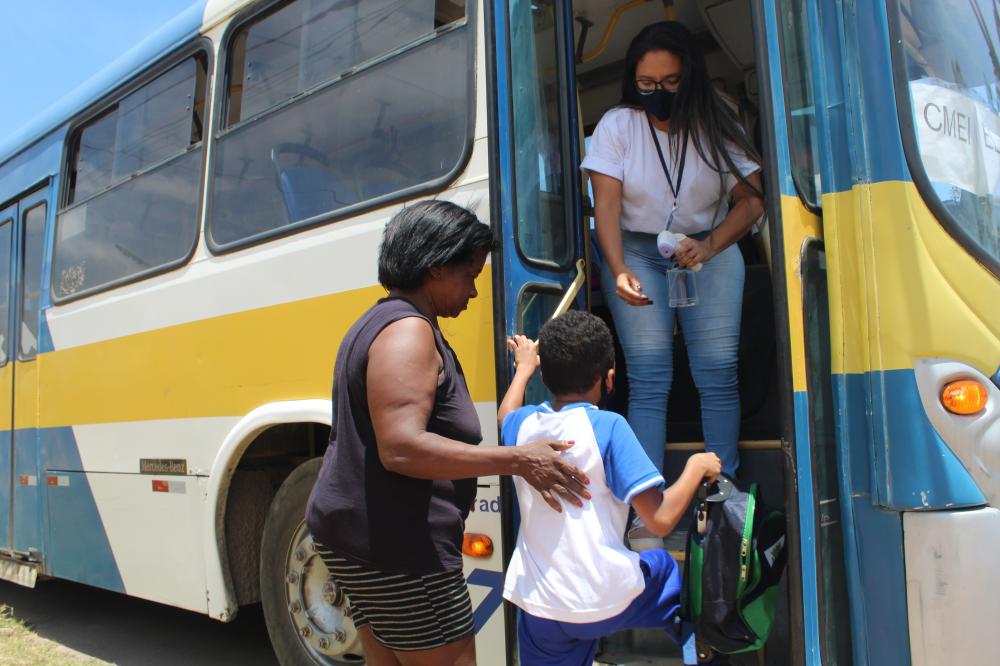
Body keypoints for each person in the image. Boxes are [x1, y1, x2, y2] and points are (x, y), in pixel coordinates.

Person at [306, 201, 591, 666]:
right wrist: (519, 459)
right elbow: (400, 448)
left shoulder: (378, 321)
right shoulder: (408, 332)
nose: (475, 292)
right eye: (470, 276)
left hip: (359, 539)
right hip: (400, 551)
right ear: (436, 269)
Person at [582, 21, 764, 488]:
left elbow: (752, 199)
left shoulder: (718, 124)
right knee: (648, 376)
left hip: (710, 245)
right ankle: (648, 499)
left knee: (718, 372)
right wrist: (618, 268)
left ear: (691, 79)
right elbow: (605, 205)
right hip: (638, 250)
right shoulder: (618, 125)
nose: (657, 93)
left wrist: (709, 244)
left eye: (669, 83)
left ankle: (722, 492)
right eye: (646, 84)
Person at [497, 311, 722, 666]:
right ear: (610, 378)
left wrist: (523, 368)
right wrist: (695, 467)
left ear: (545, 374)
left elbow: (505, 414)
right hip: (605, 603)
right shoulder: (609, 427)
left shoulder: (523, 428)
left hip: (541, 607)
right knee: (662, 565)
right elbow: (660, 520)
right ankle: (701, 649)